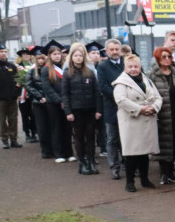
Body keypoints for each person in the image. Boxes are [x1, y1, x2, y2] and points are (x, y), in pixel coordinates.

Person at [112, 54, 161, 193]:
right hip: (132, 121)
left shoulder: (147, 80)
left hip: (147, 119)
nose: (133, 69)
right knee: (131, 154)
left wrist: (154, 107)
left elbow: (158, 97)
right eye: (130, 66)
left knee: (144, 153)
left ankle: (145, 179)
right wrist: (140, 109)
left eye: (136, 66)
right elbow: (121, 100)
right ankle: (130, 182)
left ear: (140, 67)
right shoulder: (121, 83)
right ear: (125, 68)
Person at [61, 42, 102, 175]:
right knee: (79, 137)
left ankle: (91, 161)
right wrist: (68, 112)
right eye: (76, 55)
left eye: (81, 56)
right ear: (71, 58)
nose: (78, 58)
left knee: (91, 137)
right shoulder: (67, 74)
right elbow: (65, 94)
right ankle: (82, 162)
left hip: (90, 109)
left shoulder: (90, 72)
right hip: (76, 110)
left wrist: (98, 110)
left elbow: (97, 92)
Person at [146, 46, 175, 186]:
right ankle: (164, 173)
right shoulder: (151, 74)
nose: (168, 59)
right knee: (163, 143)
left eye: (169, 56)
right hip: (161, 112)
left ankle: (171, 172)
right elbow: (148, 93)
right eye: (164, 57)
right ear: (157, 58)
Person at [39, 46, 74, 163]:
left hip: (66, 102)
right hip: (53, 104)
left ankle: (69, 152)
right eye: (54, 54)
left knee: (67, 128)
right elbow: (47, 88)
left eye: (58, 54)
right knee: (56, 128)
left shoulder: (66, 68)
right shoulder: (45, 69)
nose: (57, 56)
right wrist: (60, 101)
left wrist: (66, 101)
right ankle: (58, 153)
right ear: (49, 56)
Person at [96, 38, 125, 179]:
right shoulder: (102, 67)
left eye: (117, 49)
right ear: (106, 51)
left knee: (126, 138)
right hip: (111, 107)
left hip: (127, 108)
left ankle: (128, 164)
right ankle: (114, 167)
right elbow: (102, 87)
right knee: (112, 139)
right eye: (111, 49)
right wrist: (120, 96)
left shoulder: (127, 64)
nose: (114, 52)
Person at [26, 52, 55, 160]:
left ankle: (53, 149)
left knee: (52, 126)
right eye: (39, 59)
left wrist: (49, 97)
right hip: (38, 103)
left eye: (43, 59)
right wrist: (39, 97)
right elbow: (29, 86)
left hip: (50, 101)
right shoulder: (32, 71)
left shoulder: (49, 70)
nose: (41, 61)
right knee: (42, 127)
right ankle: (45, 150)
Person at [15, 48, 38, 145]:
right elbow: (16, 82)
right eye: (24, 54)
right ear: (21, 56)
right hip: (22, 95)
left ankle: (34, 133)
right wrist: (18, 94)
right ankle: (27, 133)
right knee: (25, 115)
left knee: (34, 114)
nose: (26, 56)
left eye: (28, 54)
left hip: (32, 94)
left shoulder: (34, 66)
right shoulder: (18, 67)